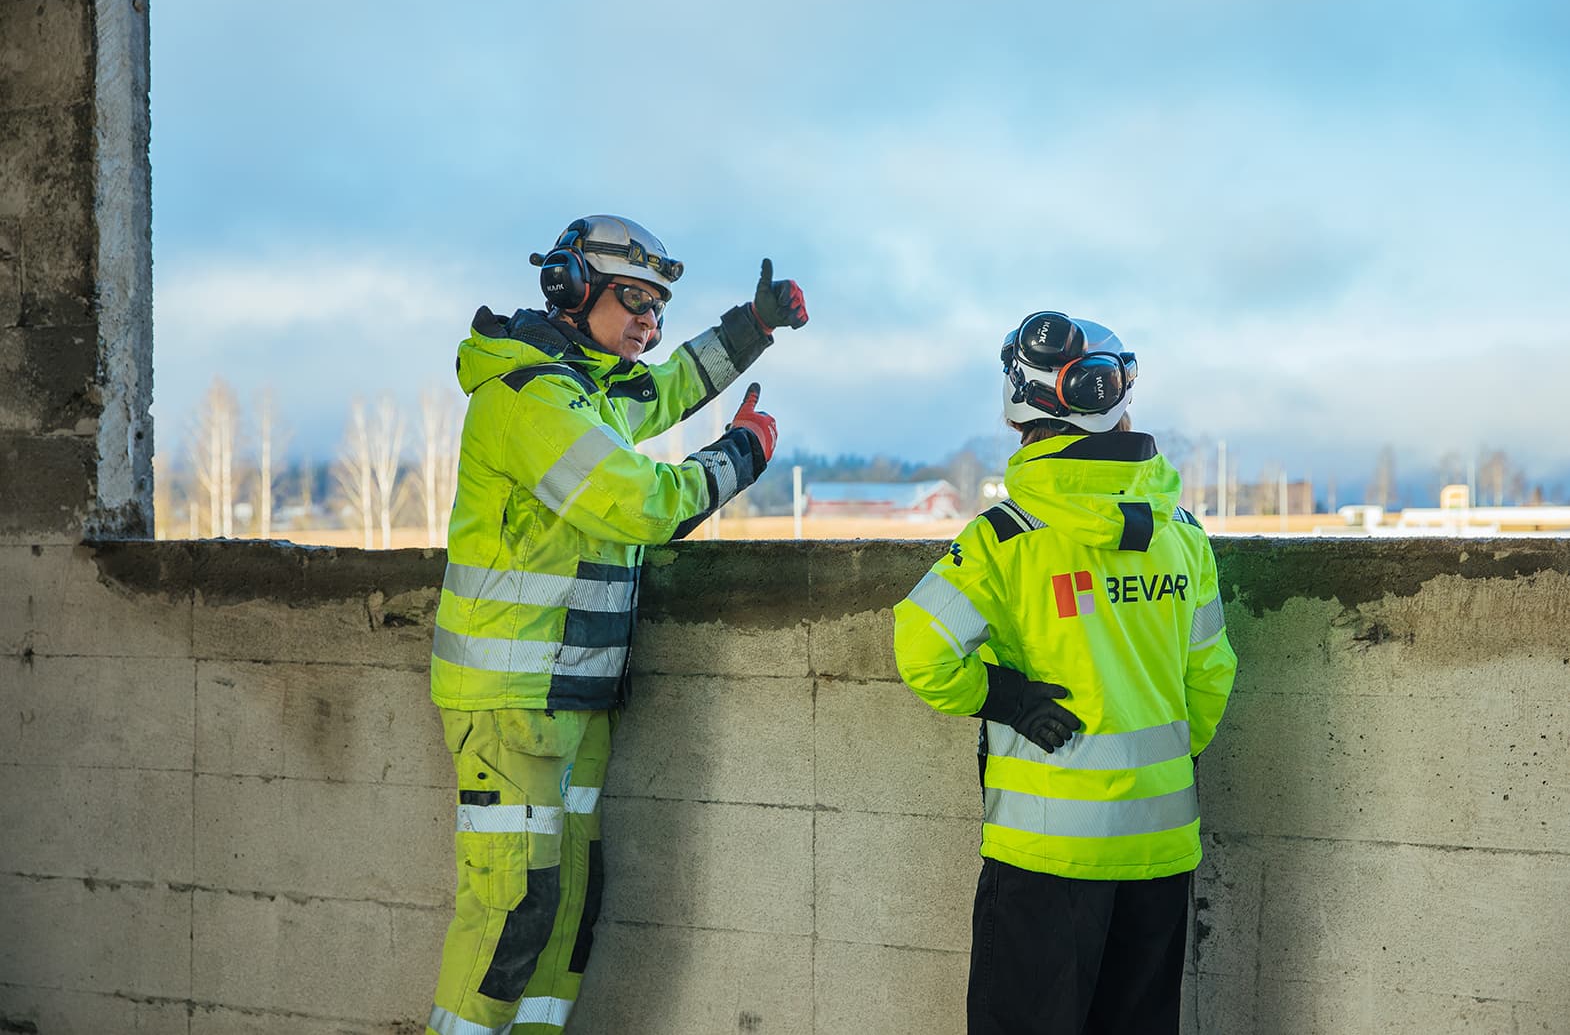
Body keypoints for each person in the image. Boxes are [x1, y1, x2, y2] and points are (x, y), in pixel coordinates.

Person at [424, 214, 808, 1035]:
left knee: (565, 916)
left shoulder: (591, 388)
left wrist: (752, 327)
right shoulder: (532, 399)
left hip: (574, 700)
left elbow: (665, 387)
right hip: (511, 703)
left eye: (660, 305)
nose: (651, 319)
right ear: (570, 288)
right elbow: (639, 501)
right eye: (634, 298)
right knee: (511, 913)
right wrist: (740, 454)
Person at [892, 310, 1238, 1035]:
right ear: (1116, 400)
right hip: (1160, 849)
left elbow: (921, 648)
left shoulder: (1006, 538)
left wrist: (1007, 696)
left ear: (1021, 411)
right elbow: (1209, 684)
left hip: (1043, 852)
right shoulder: (1182, 538)